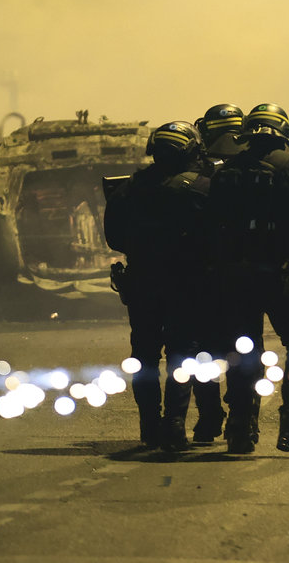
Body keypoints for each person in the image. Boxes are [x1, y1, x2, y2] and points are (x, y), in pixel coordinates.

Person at [210, 102, 289, 457]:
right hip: (282, 279)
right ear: (283, 134)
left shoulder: (226, 172)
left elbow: (209, 223)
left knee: (243, 351)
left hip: (235, 280)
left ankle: (239, 431)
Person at [103, 121, 217, 451]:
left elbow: (114, 238)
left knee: (145, 357)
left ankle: (150, 427)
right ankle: (175, 425)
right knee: (181, 355)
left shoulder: (128, 189)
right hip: (186, 284)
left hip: (141, 285)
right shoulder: (202, 189)